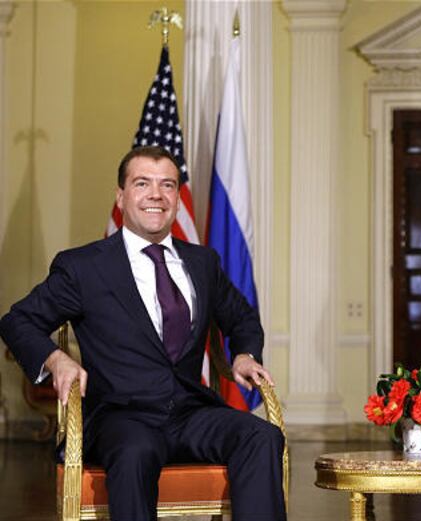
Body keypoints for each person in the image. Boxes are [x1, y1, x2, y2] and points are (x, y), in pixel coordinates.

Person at [0, 146, 286, 521]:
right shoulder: (84, 267)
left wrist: (245, 353)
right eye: (142, 183)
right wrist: (56, 359)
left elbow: (243, 317)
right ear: (121, 196)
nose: (156, 194)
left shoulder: (202, 262)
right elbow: (17, 320)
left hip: (189, 412)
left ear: (176, 197)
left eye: (167, 185)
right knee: (136, 450)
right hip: (121, 416)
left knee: (260, 435)